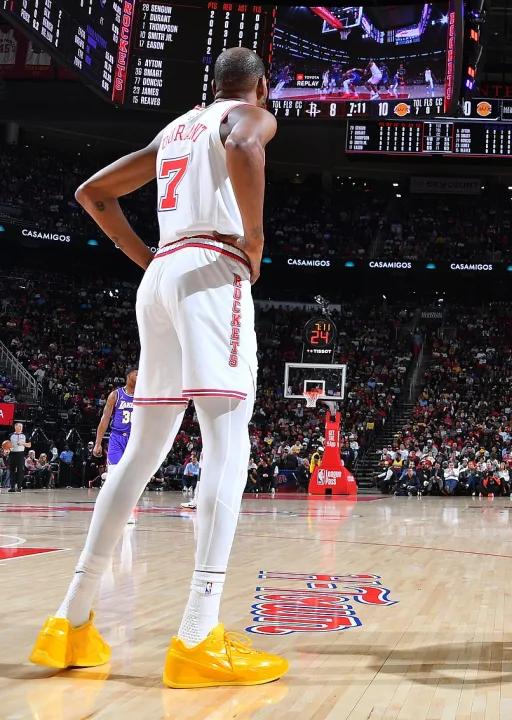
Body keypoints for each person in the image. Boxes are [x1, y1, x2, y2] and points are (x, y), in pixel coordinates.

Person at [29, 48, 287, 688]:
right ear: (260, 85)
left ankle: (71, 621)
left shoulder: (175, 128)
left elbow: (93, 193)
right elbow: (245, 144)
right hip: (211, 269)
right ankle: (199, 633)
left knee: (141, 453)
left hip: (164, 273)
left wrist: (148, 260)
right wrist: (254, 241)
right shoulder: (248, 115)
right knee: (227, 439)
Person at [93, 369, 139, 523]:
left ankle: (128, 512)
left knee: (130, 478)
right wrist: (98, 443)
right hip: (117, 438)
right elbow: (105, 419)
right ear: (128, 376)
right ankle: (110, 509)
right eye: (136, 374)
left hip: (134, 439)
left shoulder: (143, 395)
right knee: (114, 476)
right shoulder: (116, 395)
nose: (139, 376)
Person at [8, 421, 30, 492]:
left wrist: (23, 443)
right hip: (12, 454)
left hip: (20, 454)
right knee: (12, 471)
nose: (21, 428)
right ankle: (12, 487)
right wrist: (6, 450)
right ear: (15, 427)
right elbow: (7, 445)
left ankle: (19, 487)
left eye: (21, 427)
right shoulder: (10, 435)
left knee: (20, 471)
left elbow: (29, 445)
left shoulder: (25, 435)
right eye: (19, 426)